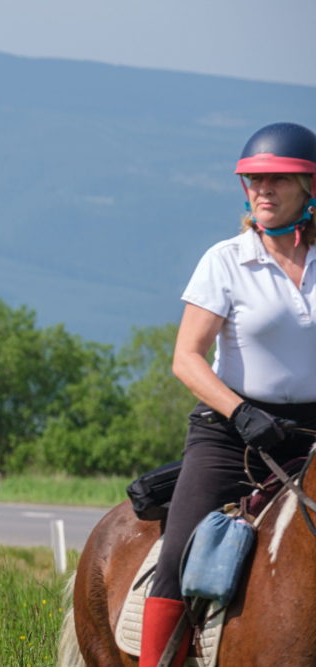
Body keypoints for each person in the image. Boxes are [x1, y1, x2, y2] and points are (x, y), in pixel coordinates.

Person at [141, 121, 316, 667]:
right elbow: (186, 357)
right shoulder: (225, 261)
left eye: (276, 179)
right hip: (232, 436)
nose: (262, 189)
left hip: (311, 435)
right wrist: (241, 412)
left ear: (310, 186)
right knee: (176, 559)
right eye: (253, 180)